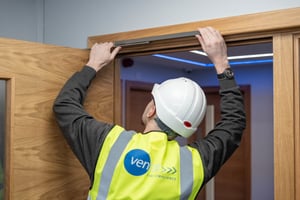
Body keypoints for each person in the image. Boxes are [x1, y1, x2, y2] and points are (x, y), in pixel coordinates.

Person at [53, 26, 246, 200]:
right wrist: (222, 63)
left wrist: (93, 64)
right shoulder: (195, 163)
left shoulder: (108, 144)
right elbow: (233, 124)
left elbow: (64, 105)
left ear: (152, 110)